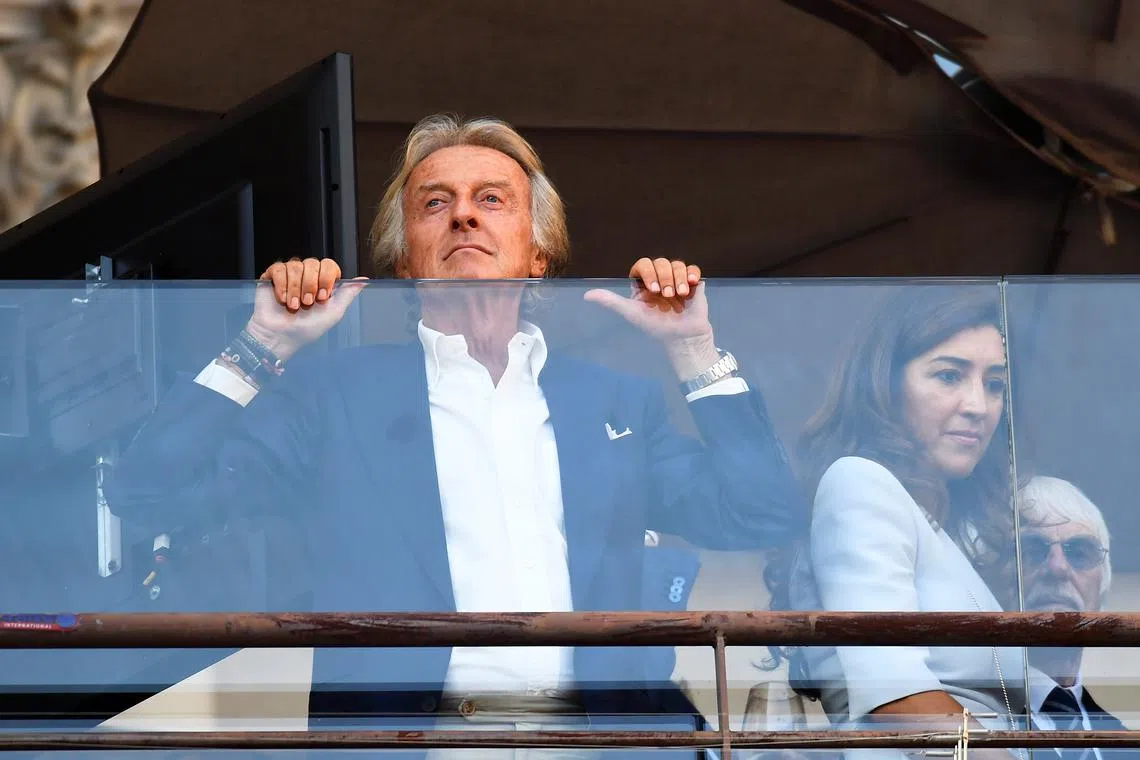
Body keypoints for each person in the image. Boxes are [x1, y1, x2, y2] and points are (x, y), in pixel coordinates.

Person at [105, 114, 804, 738]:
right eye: (435, 203)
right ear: (406, 258)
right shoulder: (336, 395)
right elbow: (146, 497)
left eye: (491, 200)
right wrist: (262, 346)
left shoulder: (615, 402)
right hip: (419, 740)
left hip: (604, 739)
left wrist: (692, 350)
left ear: (538, 254)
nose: (463, 217)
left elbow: (760, 514)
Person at [767, 287, 1024, 750]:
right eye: (949, 376)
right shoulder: (859, 482)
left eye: (994, 384)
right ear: (883, 385)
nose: (978, 406)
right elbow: (899, 698)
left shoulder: (936, 522)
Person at [1019, 475, 1126, 750]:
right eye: (1031, 550)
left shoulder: (1125, 743)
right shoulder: (965, 719)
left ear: (1101, 587)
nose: (1058, 568)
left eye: (1079, 552)